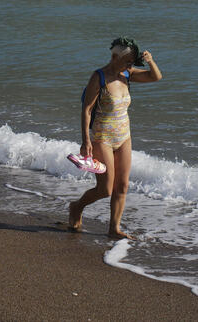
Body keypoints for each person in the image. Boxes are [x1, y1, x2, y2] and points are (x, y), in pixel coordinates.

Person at [68, 36, 162, 239]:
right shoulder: (99, 77)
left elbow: (155, 77)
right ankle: (76, 207)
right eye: (127, 61)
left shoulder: (127, 74)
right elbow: (86, 109)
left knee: (123, 186)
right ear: (114, 56)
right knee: (105, 189)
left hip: (124, 137)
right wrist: (86, 140)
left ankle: (114, 228)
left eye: (132, 62)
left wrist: (150, 61)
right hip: (102, 138)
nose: (130, 65)